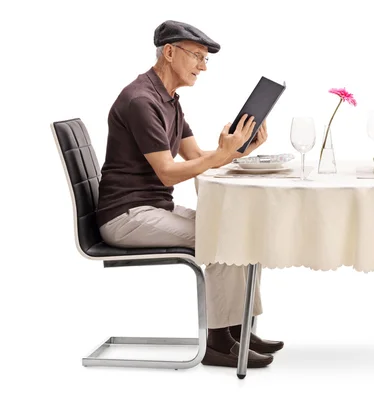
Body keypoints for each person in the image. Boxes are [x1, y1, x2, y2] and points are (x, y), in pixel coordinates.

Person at [95, 20, 283, 369]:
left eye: (205, 59)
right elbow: (167, 170)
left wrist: (239, 150)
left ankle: (238, 329)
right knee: (220, 236)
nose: (203, 66)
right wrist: (223, 154)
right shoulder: (141, 100)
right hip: (125, 217)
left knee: (235, 230)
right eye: (197, 56)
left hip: (150, 209)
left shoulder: (169, 101)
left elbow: (196, 158)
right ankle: (218, 342)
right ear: (169, 52)